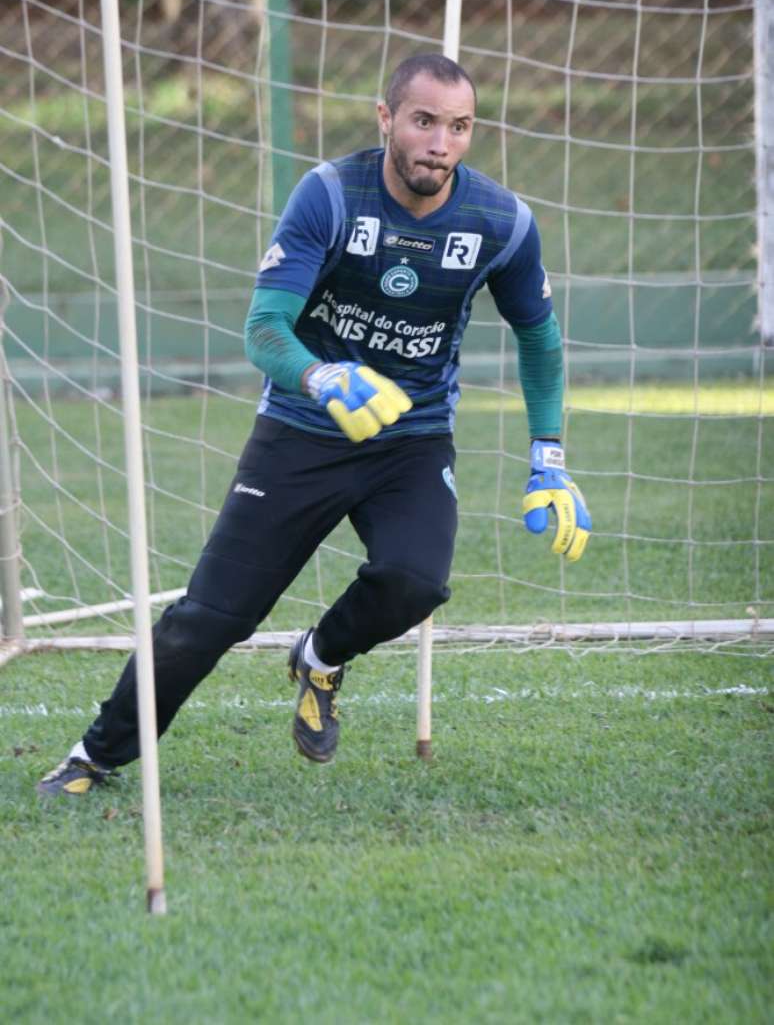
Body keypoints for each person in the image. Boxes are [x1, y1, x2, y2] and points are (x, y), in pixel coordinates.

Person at [37, 53, 591, 796]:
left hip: (411, 437)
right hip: (302, 428)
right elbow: (265, 329)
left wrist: (548, 456)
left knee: (414, 581)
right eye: (424, 121)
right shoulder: (330, 196)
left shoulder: (501, 222)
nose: (440, 143)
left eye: (459, 127)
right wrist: (323, 376)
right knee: (209, 619)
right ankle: (93, 755)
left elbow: (541, 338)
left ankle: (320, 657)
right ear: (387, 118)